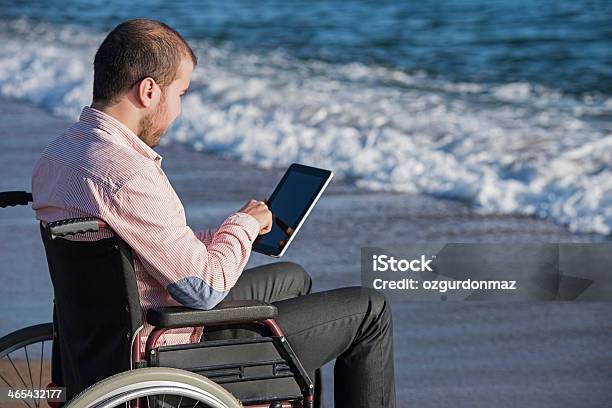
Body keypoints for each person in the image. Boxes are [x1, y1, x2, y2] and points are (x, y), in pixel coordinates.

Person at [32, 19, 395, 408]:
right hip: (170, 348)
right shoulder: (128, 174)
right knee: (370, 311)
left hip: (100, 339)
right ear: (149, 91)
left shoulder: (61, 153)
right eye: (181, 93)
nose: (179, 110)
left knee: (293, 278)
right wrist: (245, 224)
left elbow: (144, 244)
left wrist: (227, 233)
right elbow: (203, 288)